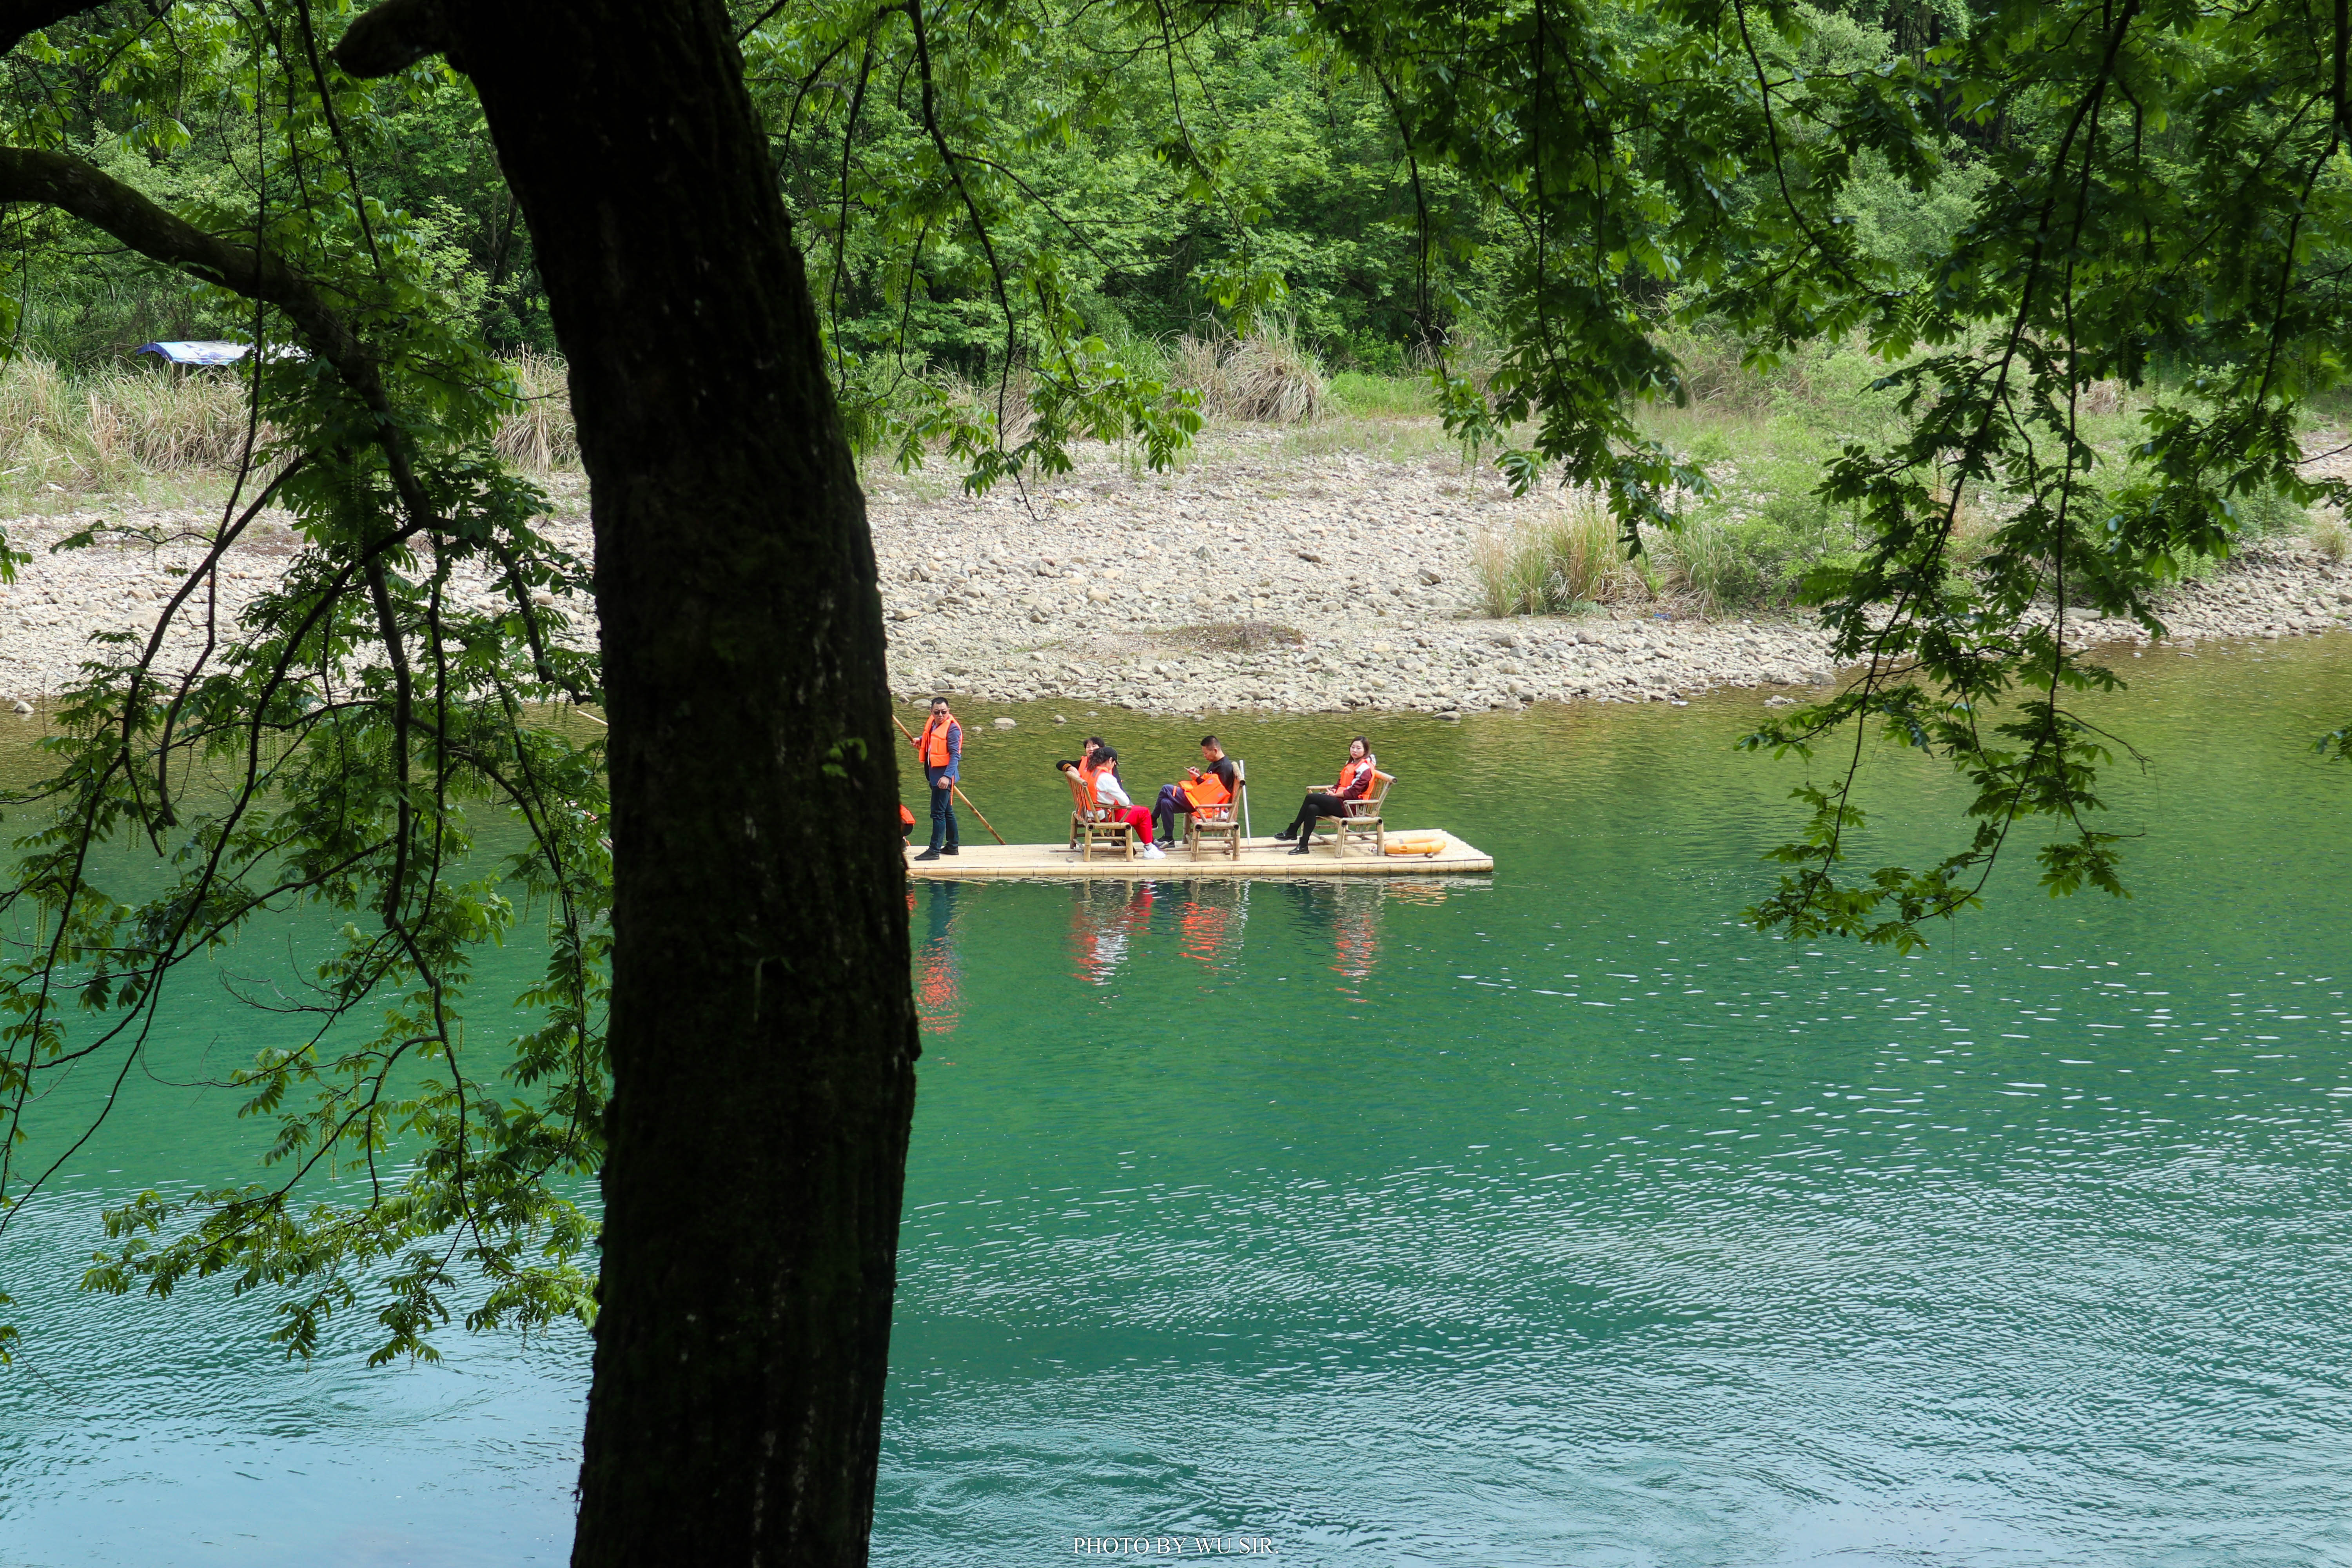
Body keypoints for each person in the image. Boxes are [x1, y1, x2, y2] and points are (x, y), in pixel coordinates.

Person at [1275, 735, 1377, 855]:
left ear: (1365, 751)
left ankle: (1293, 829)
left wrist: (1335, 796)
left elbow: (1353, 792)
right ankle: (1303, 846)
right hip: (1341, 802)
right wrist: (1333, 791)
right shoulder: (1352, 764)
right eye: (1353, 747)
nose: (1354, 750)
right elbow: (1340, 783)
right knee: (1312, 808)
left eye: (1358, 748)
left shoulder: (1365, 769)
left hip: (1352, 807)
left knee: (1310, 798)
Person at [1152, 735, 1238, 848]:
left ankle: (1153, 819)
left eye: (1206, 753)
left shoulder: (1225, 768)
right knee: (1165, 802)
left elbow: (1215, 794)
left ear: (1215, 751)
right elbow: (1209, 784)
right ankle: (1169, 839)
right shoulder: (1215, 763)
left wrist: (1198, 779)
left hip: (1208, 807)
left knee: (1166, 789)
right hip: (1201, 801)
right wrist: (1198, 776)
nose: (1205, 756)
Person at [1078, 747, 1163, 859]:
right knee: (1143, 813)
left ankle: (1145, 846)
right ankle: (1149, 848)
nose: (1114, 766)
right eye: (1114, 763)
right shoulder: (1106, 777)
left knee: (1137, 812)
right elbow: (1125, 802)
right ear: (1110, 760)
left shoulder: (1088, 772)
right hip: (1104, 816)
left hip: (1087, 812)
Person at [912, 696, 961, 860]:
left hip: (943, 777)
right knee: (947, 811)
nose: (941, 715)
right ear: (931, 712)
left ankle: (934, 851)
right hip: (935, 775)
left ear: (949, 711)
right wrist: (920, 740)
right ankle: (953, 846)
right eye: (937, 712)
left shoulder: (952, 729)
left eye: (944, 712)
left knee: (937, 813)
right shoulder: (934, 723)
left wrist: (947, 777)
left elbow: (955, 756)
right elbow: (932, 738)